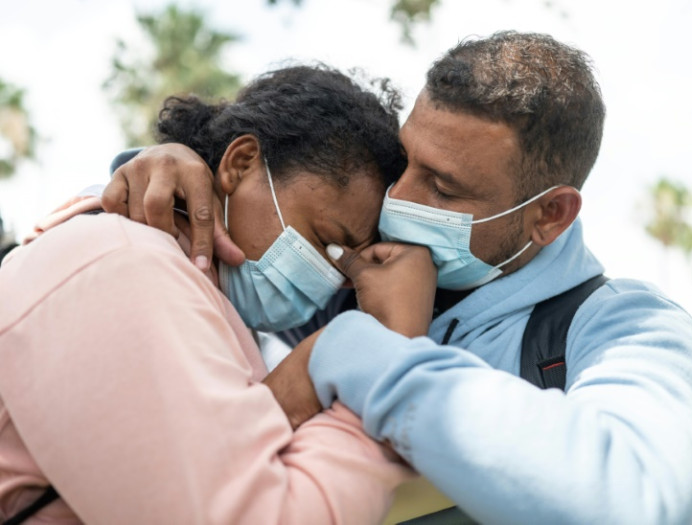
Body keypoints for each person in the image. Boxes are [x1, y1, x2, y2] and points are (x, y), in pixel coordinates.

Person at [102, 31, 692, 524]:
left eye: (443, 188)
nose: (399, 199)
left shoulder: (623, 326)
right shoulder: (355, 275)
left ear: (549, 215)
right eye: (407, 162)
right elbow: (200, 273)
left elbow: (639, 499)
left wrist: (360, 350)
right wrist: (176, 174)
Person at [0, 64, 431, 524]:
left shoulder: (186, 288)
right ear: (240, 163)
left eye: (344, 267)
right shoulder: (124, 265)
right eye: (325, 241)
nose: (327, 277)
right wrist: (382, 361)